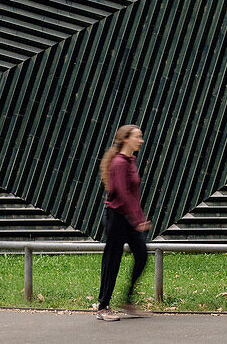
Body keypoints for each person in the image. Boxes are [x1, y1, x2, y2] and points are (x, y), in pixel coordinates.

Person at [95, 124, 151, 320]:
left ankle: (127, 300)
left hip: (130, 219)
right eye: (138, 136)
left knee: (142, 255)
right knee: (112, 261)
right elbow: (123, 194)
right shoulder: (119, 163)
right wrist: (137, 219)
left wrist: (139, 219)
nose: (141, 140)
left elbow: (134, 195)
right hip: (116, 217)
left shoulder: (131, 160)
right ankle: (103, 307)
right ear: (126, 139)